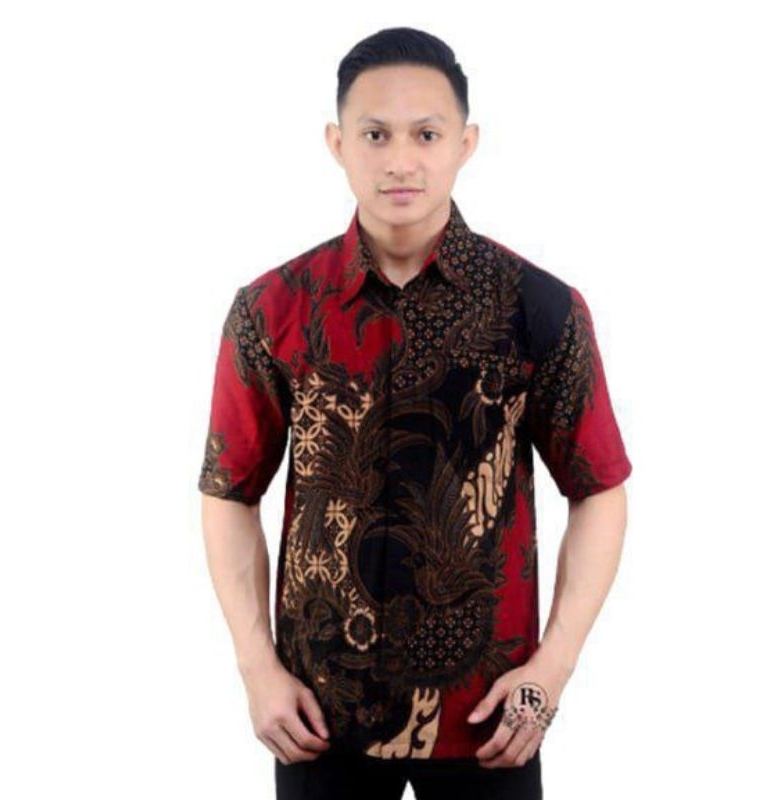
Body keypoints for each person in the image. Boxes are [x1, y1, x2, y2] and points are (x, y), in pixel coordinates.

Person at [198, 26, 632, 800]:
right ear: (337, 144)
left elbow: (598, 486)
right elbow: (229, 489)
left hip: (491, 717)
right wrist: (256, 666)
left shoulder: (539, 307)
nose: (401, 160)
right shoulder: (274, 309)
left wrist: (554, 668)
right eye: (375, 135)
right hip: (316, 712)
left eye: (426, 134)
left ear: (466, 143)